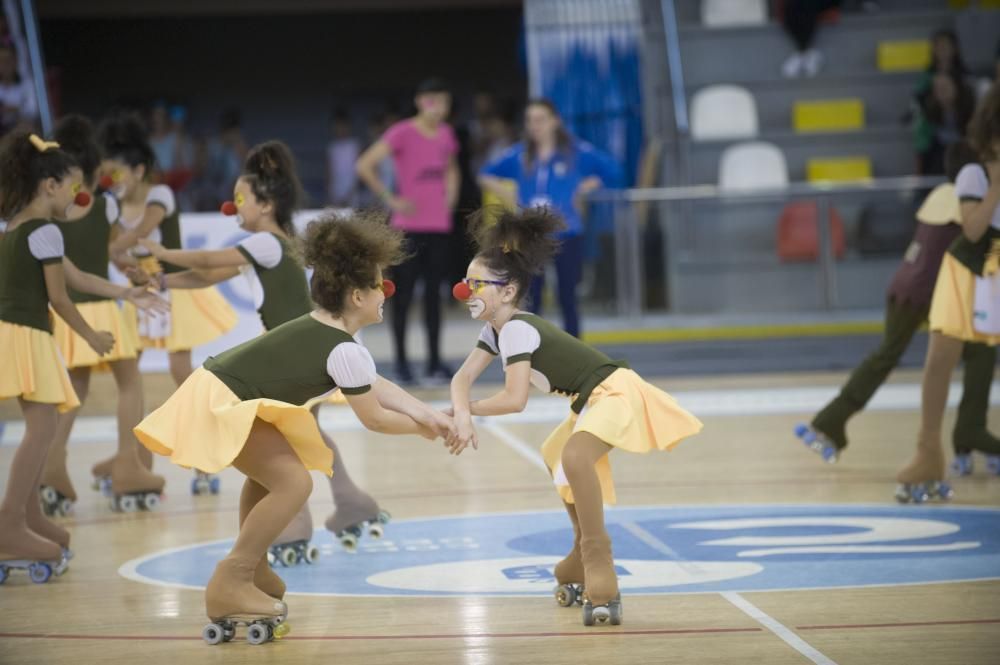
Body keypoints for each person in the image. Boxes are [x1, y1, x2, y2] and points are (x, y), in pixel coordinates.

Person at [134, 211, 455, 643]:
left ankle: (254, 569)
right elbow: (375, 418)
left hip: (221, 391)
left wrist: (429, 415)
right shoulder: (343, 348)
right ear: (357, 296)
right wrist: (421, 429)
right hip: (224, 400)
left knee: (270, 479)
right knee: (294, 483)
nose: (386, 292)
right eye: (380, 285)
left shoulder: (330, 333)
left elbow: (376, 384)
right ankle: (233, 576)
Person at [135, 140, 391, 554]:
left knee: (290, 437)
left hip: (301, 350)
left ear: (266, 204)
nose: (234, 207)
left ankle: (302, 523)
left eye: (241, 199)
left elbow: (203, 260)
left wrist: (163, 254)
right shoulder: (267, 243)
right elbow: (206, 277)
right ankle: (350, 504)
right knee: (304, 433)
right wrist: (162, 280)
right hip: (305, 348)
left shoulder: (267, 242)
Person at [448, 208, 702, 626]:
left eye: (477, 284)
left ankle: (597, 558)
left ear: (508, 291)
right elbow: (462, 378)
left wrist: (467, 411)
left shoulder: (515, 329)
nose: (465, 290)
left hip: (613, 391)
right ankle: (581, 545)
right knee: (555, 454)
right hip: (591, 400)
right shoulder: (493, 329)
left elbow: (514, 400)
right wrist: (461, 412)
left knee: (576, 457)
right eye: (466, 280)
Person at [0, 130, 161, 582]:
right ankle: (10, 522)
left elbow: (80, 276)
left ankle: (27, 518)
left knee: (41, 425)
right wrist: (91, 336)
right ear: (48, 186)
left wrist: (127, 292)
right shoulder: (45, 230)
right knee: (40, 426)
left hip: (16, 332)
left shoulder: (19, 225)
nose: (78, 193)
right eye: (71, 185)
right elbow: (62, 297)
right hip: (26, 333)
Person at [796, 141, 1000, 469]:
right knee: (981, 350)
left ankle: (830, 420)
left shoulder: (938, 196)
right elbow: (979, 242)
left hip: (904, 286)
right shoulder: (969, 201)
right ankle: (970, 431)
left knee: (886, 355)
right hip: (931, 291)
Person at [39, 115, 165, 517]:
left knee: (73, 394)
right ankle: (128, 466)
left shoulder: (51, 210)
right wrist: (132, 268)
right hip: (104, 311)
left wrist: (125, 266)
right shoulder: (105, 205)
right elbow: (112, 252)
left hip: (67, 310)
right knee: (130, 385)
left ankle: (50, 469)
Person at [896, 84, 1000, 503]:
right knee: (940, 362)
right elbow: (973, 228)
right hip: (969, 269)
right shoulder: (974, 172)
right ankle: (927, 452)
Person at [479, 99, 623, 338]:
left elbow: (613, 171)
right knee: (531, 296)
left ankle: (574, 351)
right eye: (530, 120)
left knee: (567, 294)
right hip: (531, 236)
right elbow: (485, 173)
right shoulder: (519, 155)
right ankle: (530, 349)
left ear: (555, 121)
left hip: (567, 232)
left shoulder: (576, 152)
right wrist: (509, 194)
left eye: (540, 119)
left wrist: (589, 184)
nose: (535, 126)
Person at [356, 78, 460, 384]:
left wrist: (450, 198)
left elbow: (451, 167)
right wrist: (391, 199)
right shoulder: (402, 132)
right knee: (401, 298)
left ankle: (434, 362)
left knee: (433, 297)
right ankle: (401, 363)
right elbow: (365, 164)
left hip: (438, 225)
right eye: (432, 100)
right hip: (407, 228)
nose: (438, 107)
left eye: (443, 101)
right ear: (420, 101)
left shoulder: (446, 134)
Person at [326, 108, 360, 207]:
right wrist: (330, 194)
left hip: (352, 195)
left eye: (342, 126)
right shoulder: (332, 147)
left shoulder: (355, 145)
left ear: (348, 126)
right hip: (335, 195)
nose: (339, 129)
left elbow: (359, 173)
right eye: (336, 126)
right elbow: (329, 172)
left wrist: (349, 194)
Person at [0, 43, 37, 134]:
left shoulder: (27, 85)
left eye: (8, 61)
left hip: (21, 132)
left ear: (15, 62)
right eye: (1, 62)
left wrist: (15, 109)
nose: (5, 66)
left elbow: (33, 111)